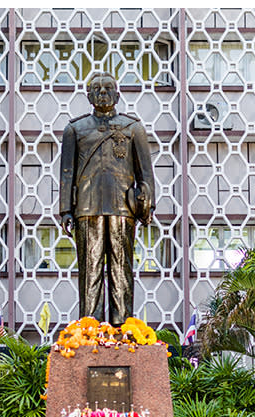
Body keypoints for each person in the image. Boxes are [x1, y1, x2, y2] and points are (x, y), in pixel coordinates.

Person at [59, 72, 155, 325]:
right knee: (89, 269)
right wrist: (65, 211)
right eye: (97, 89)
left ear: (117, 94)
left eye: (108, 88)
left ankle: (123, 325)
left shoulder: (133, 128)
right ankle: (89, 325)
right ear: (88, 95)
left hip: (123, 207)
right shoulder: (74, 129)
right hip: (86, 208)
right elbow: (66, 172)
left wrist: (147, 207)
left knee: (121, 268)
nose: (103, 92)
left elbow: (144, 170)